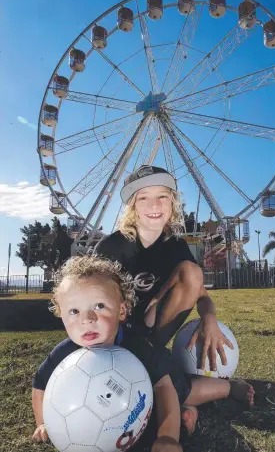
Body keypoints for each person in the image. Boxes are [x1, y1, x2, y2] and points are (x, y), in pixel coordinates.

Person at [31, 256, 254, 452]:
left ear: (121, 311)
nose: (87, 318)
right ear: (60, 314)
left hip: (162, 381)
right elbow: (40, 384)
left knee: (186, 392)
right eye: (74, 311)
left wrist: (167, 437)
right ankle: (187, 413)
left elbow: (164, 388)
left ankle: (229, 387)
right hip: (126, 400)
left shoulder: (137, 345)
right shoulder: (66, 353)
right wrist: (43, 422)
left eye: (99, 306)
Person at [95, 165, 254, 430]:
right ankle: (221, 391)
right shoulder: (112, 246)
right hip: (115, 336)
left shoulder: (175, 246)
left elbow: (200, 293)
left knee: (192, 272)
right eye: (143, 197)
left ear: (173, 203)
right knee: (159, 384)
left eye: (162, 196)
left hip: (152, 333)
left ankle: (190, 384)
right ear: (132, 205)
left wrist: (210, 318)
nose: (154, 205)